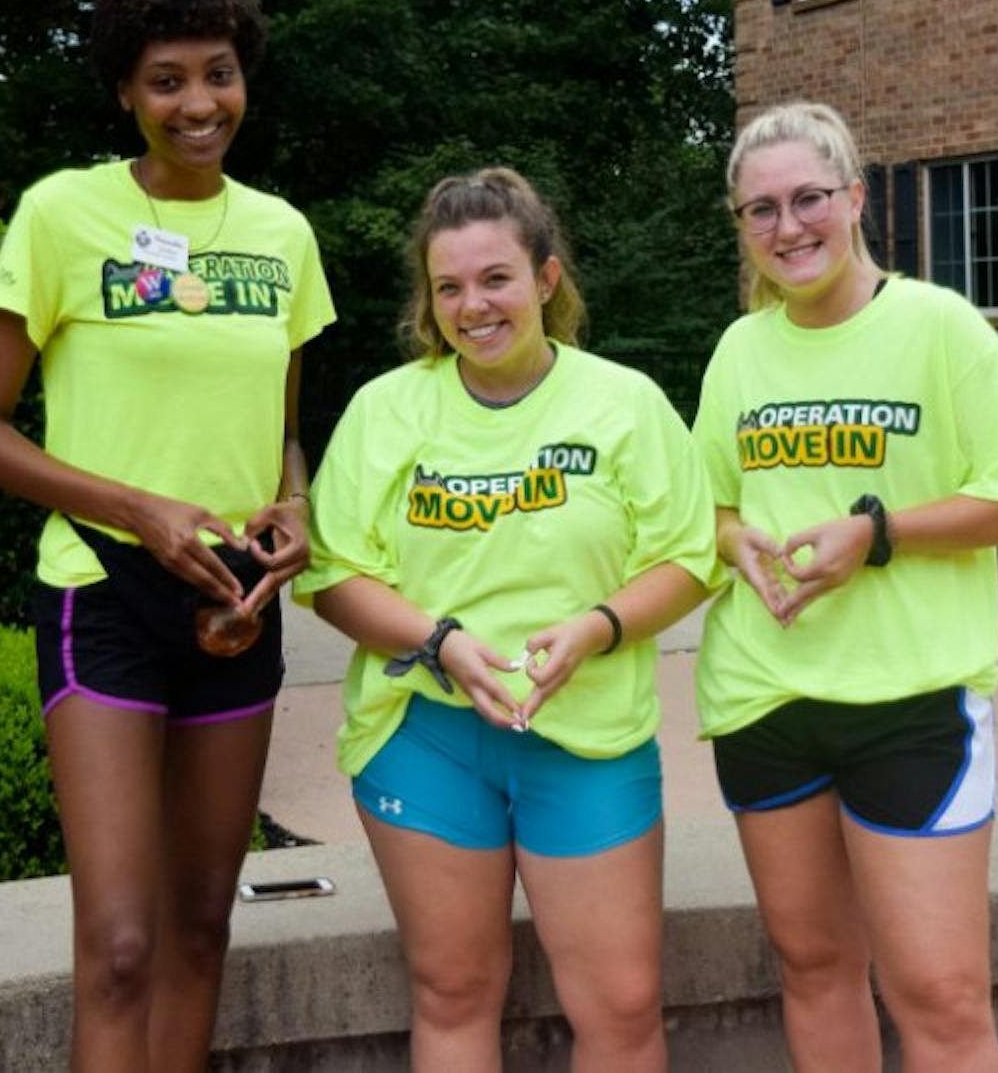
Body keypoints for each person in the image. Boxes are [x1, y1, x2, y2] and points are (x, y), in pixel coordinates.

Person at [0, 0, 335, 1070]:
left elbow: (282, 426)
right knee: (119, 942)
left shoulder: (283, 235)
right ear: (124, 87)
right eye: (166, 78)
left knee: (204, 925)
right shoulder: (63, 215)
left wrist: (295, 507)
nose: (197, 103)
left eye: (218, 73)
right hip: (103, 594)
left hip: (236, 607)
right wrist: (138, 508)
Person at [295, 168, 714, 1073]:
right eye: (449, 287)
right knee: (452, 992)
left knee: (624, 1005)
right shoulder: (385, 410)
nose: (472, 306)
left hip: (588, 741)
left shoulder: (625, 402)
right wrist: (438, 640)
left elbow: (688, 559)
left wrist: (597, 626)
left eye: (496, 279)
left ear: (546, 279)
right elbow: (333, 577)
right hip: (427, 734)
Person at [692, 102, 998, 1073]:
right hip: (765, 697)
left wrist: (877, 532)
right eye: (759, 209)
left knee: (938, 994)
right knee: (813, 967)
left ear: (854, 197)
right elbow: (711, 511)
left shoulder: (941, 327)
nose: (787, 227)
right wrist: (739, 548)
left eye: (807, 197)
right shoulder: (738, 350)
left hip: (912, 700)